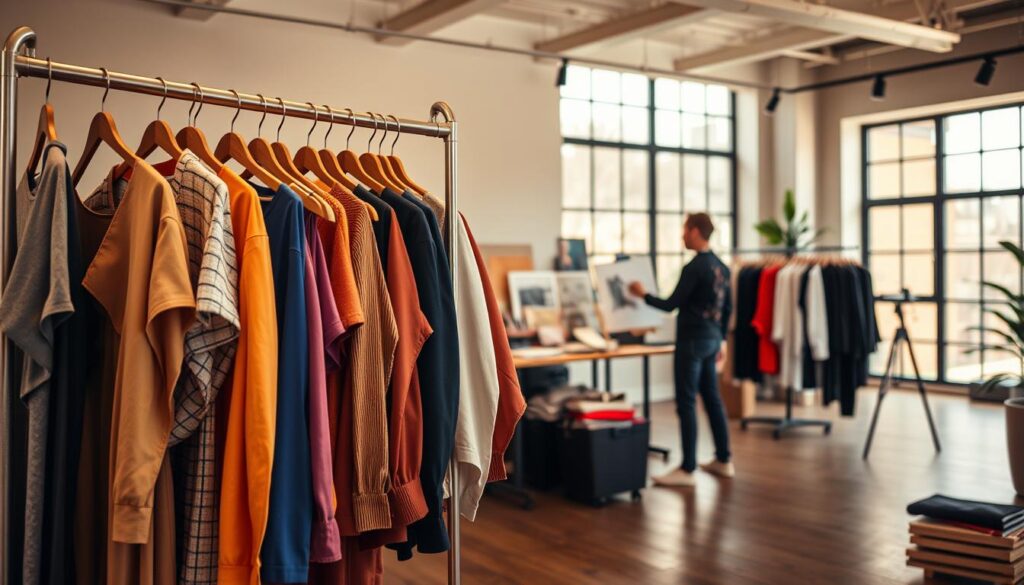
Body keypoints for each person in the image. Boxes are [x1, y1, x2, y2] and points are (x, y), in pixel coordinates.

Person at [629, 212, 733, 488]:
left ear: (696, 231)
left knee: (686, 401)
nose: (682, 236)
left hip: (692, 341)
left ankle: (687, 468)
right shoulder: (722, 267)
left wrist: (643, 295)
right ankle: (724, 459)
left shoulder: (695, 267)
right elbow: (727, 309)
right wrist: (721, 340)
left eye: (685, 230)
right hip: (711, 340)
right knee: (712, 398)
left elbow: (671, 304)